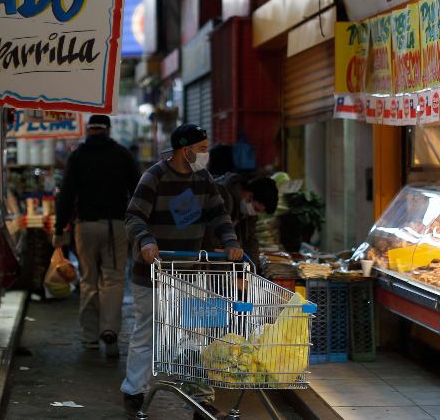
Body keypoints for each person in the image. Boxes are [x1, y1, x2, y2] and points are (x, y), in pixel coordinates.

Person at [121, 124, 243, 420]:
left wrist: (231, 242)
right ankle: (134, 390)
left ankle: (200, 399)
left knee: (191, 335)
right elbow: (134, 217)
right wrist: (147, 241)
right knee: (148, 331)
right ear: (182, 149)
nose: (205, 155)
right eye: (201, 149)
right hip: (152, 272)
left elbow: (218, 215)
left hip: (187, 273)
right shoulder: (155, 177)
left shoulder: (204, 179)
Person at [53, 115, 140, 358]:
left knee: (88, 279)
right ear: (108, 130)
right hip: (116, 225)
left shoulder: (77, 156)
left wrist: (59, 230)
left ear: (88, 130)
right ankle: (110, 330)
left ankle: (90, 336)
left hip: (86, 226)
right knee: (113, 279)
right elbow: (137, 192)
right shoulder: (123, 154)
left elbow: (67, 195)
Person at [201, 174, 278, 268]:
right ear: (250, 196)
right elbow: (212, 241)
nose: (256, 213)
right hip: (198, 256)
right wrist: (227, 277)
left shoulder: (247, 209)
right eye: (257, 209)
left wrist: (253, 272)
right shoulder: (220, 197)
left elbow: (250, 240)